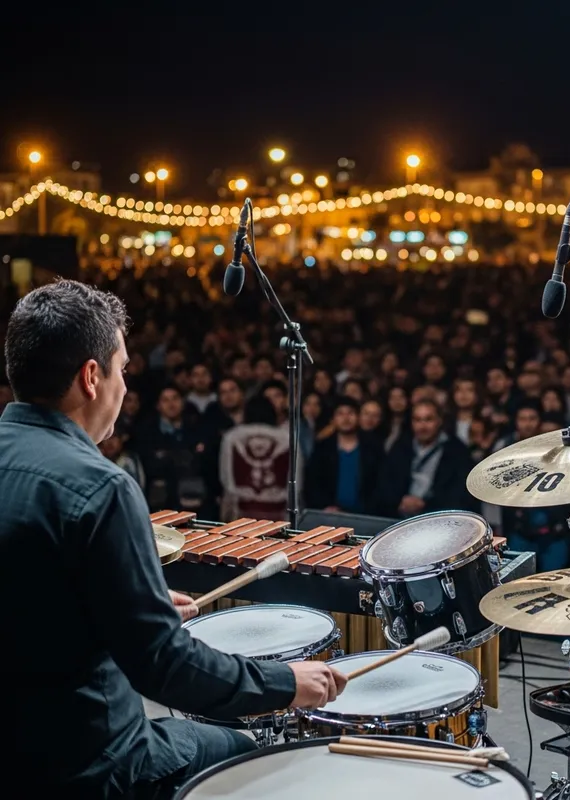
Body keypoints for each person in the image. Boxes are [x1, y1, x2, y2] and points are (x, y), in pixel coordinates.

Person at [0, 280, 346, 798]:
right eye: (122, 369)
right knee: (249, 753)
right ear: (91, 378)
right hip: (84, 762)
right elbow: (164, 668)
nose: (124, 386)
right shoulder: (101, 487)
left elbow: (32, 590)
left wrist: (134, 602)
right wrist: (285, 684)